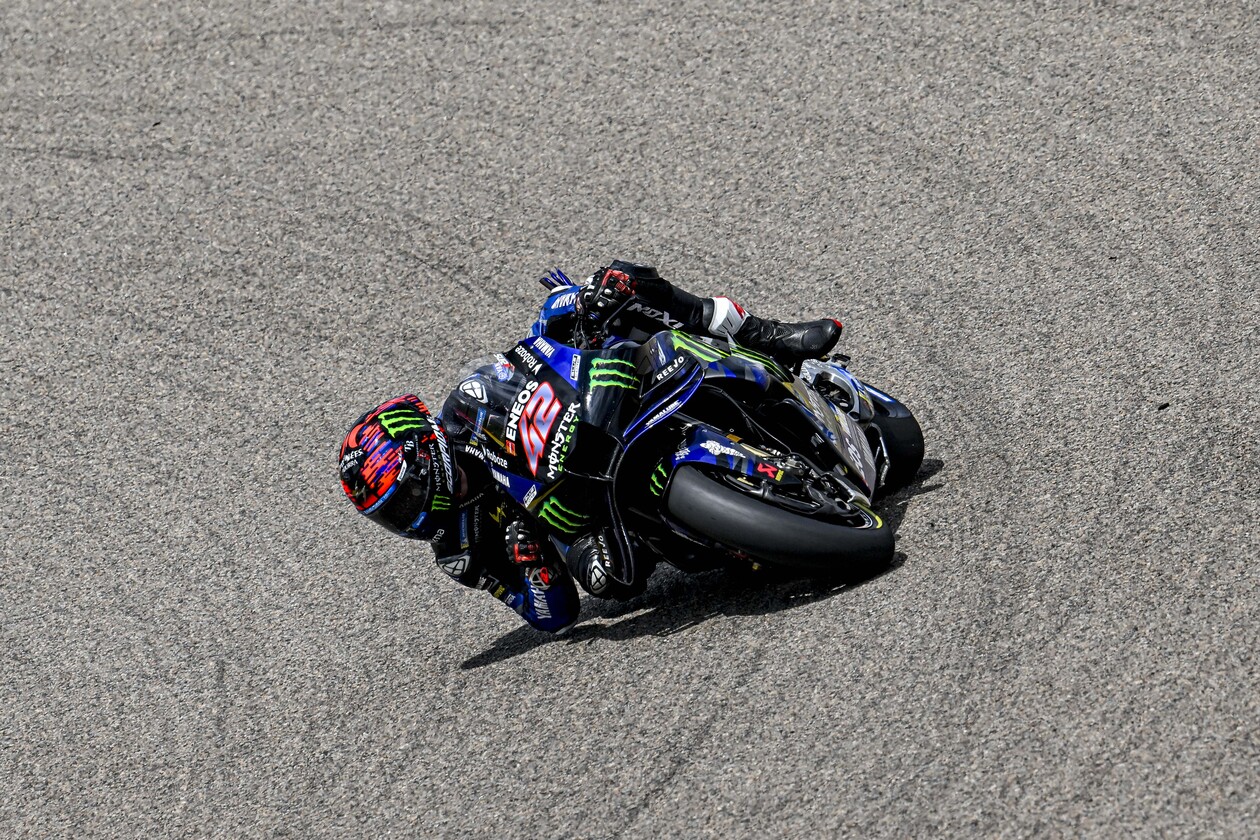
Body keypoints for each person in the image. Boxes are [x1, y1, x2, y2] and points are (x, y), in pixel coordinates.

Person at [337, 261, 843, 633]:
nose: (407, 516)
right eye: (391, 515)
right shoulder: (457, 548)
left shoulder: (467, 405)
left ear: (426, 452)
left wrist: (579, 302)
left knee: (622, 283)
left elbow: (531, 351)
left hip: (590, 423)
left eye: (404, 496)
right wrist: (532, 564)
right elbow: (550, 614)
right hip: (587, 526)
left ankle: (764, 334)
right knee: (608, 581)